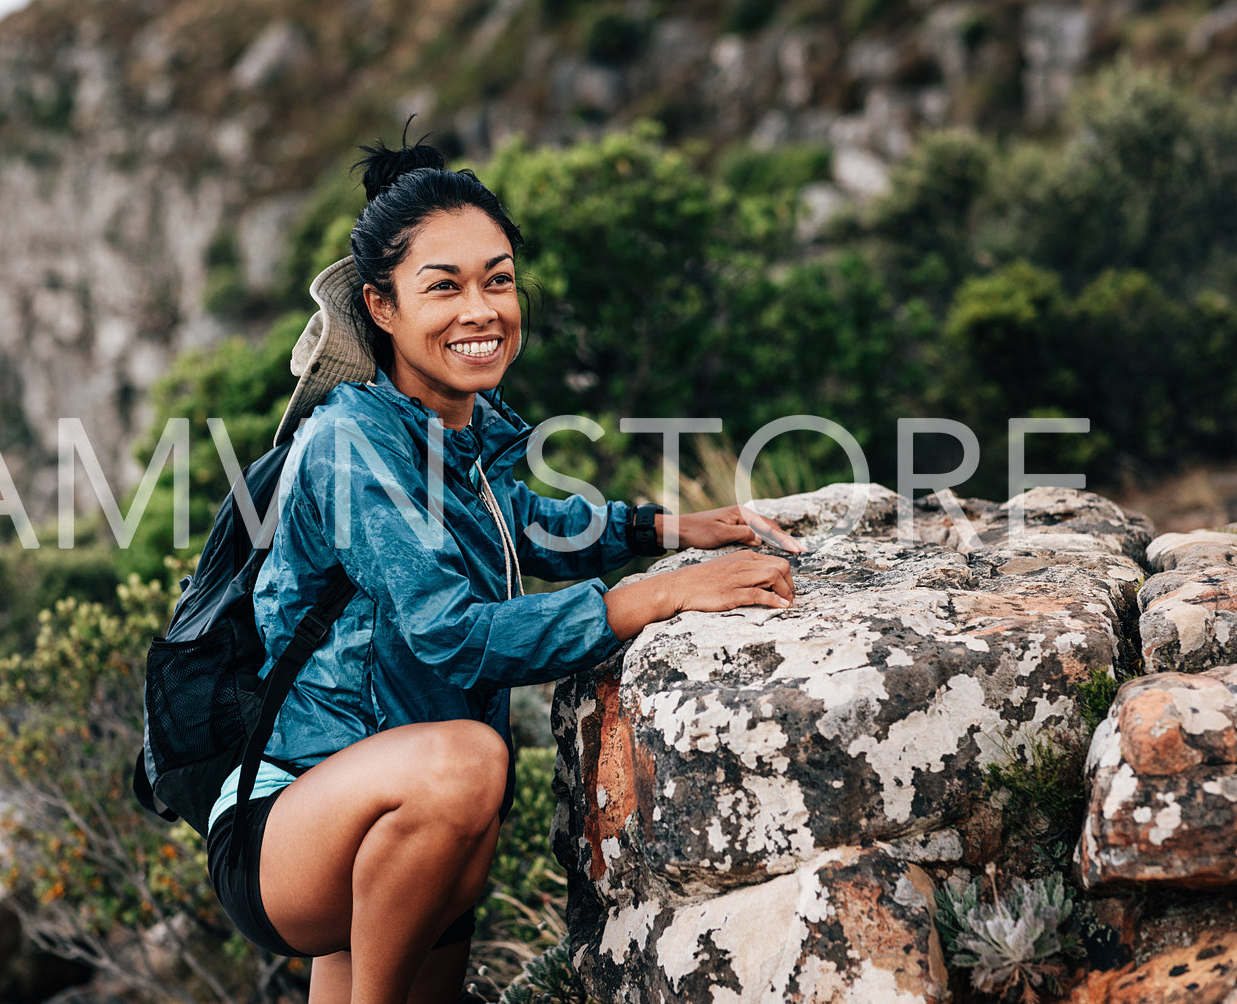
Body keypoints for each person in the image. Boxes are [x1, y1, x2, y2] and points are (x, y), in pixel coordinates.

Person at [203, 137, 802, 1004]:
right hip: (294, 822)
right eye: (442, 286)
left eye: (498, 279)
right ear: (379, 306)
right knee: (471, 764)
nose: (480, 310)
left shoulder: (459, 429)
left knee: (466, 792)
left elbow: (520, 523)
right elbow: (450, 635)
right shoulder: (351, 442)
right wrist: (656, 596)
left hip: (396, 817)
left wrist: (664, 529)